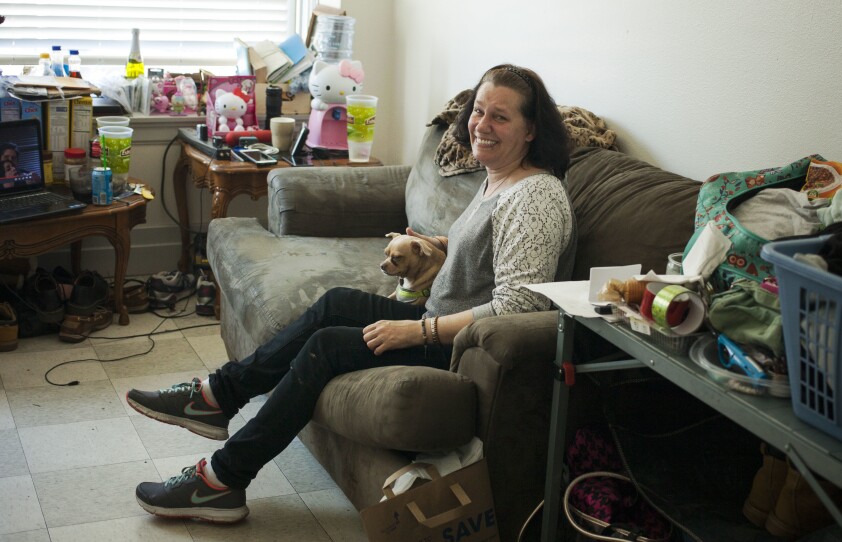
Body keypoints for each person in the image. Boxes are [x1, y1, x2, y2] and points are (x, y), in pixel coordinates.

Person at [128, 63, 577, 523]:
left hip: (457, 349)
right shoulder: (498, 176)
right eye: (478, 111)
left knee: (328, 346)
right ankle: (215, 396)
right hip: (437, 322)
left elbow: (519, 306)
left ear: (532, 128)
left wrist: (418, 332)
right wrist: (441, 243)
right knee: (337, 302)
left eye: (500, 117)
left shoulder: (535, 196)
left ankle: (220, 481)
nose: (481, 125)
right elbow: (492, 250)